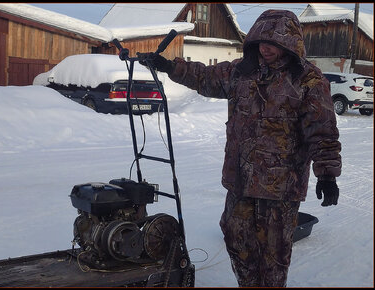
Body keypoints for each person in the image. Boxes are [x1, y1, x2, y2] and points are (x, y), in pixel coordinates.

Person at [140, 10, 341, 287]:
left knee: (273, 255)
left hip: (279, 188)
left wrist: (327, 174)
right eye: (260, 41)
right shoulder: (241, 71)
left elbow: (322, 130)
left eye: (272, 43)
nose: (265, 48)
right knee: (235, 238)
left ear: (289, 44)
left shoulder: (308, 80)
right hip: (240, 181)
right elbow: (205, 77)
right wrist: (170, 67)